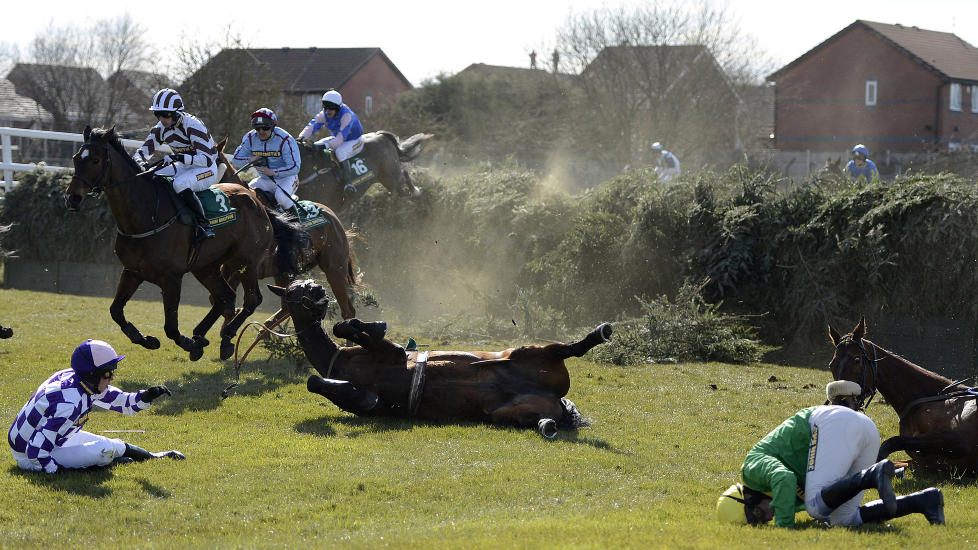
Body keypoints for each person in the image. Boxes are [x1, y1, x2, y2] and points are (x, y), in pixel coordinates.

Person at [716, 380, 945, 527]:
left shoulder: (751, 469)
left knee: (815, 507)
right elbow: (829, 496)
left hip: (831, 422)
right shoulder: (784, 499)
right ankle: (925, 500)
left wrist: (784, 528)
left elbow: (784, 478)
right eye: (759, 523)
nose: (766, 518)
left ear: (747, 496)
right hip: (866, 429)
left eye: (756, 514)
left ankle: (872, 475)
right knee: (845, 520)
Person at [8, 339, 184, 473]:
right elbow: (36, 452)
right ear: (91, 374)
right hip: (29, 455)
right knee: (106, 450)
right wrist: (58, 471)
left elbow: (120, 401)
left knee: (113, 446)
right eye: (108, 373)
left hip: (55, 438)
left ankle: (154, 456)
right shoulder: (69, 402)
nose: (112, 378)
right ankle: (105, 463)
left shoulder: (79, 381)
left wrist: (146, 396)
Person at [133, 88, 218, 239]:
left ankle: (204, 225)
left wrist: (179, 157)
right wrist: (140, 162)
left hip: (207, 168)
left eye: (166, 115)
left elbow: (206, 159)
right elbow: (142, 152)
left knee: (179, 184)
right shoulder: (161, 129)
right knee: (152, 176)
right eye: (158, 114)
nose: (162, 119)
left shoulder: (192, 125)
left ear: (177, 113)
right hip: (185, 165)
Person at [231, 108, 302, 214]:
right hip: (264, 180)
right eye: (257, 128)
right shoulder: (250, 138)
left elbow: (295, 167)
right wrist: (251, 159)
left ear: (273, 127)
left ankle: (298, 228)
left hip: (286, 179)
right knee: (247, 196)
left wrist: (274, 172)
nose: (261, 132)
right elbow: (236, 161)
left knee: (281, 198)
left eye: (265, 128)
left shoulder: (285, 139)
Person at [296, 89, 364, 192]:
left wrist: (325, 146)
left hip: (354, 140)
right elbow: (312, 126)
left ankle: (348, 183)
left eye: (331, 108)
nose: (328, 111)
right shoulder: (324, 114)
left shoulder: (346, 116)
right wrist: (301, 138)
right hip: (338, 139)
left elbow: (340, 139)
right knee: (315, 145)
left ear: (337, 108)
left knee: (340, 152)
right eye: (326, 108)